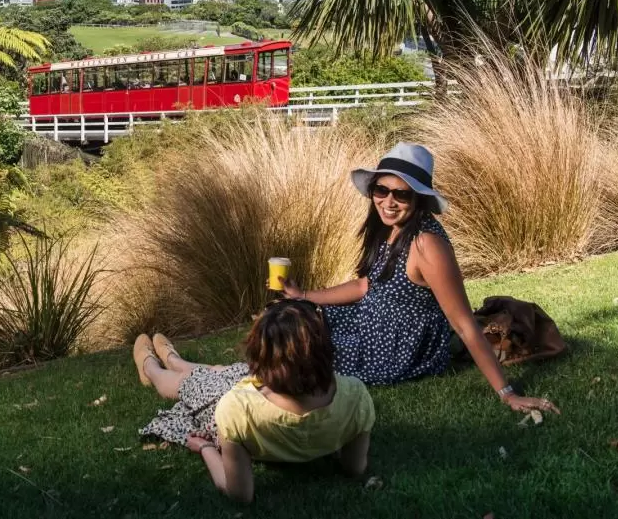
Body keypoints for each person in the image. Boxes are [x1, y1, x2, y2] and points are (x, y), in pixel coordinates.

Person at [280, 142, 561, 416]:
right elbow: (365, 285)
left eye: (401, 194)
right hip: (369, 321)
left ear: (418, 198)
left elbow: (463, 323)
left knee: (299, 351)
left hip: (396, 347)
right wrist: (303, 294)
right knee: (289, 317)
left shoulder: (427, 243)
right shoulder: (387, 228)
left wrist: (507, 393)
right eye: (381, 189)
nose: (388, 201)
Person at [134, 300, 375, 503]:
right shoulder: (355, 394)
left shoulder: (237, 410)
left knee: (189, 382)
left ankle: (151, 368)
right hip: (274, 388)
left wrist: (205, 448)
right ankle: (175, 360)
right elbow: (355, 468)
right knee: (222, 370)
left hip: (241, 400)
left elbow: (239, 494)